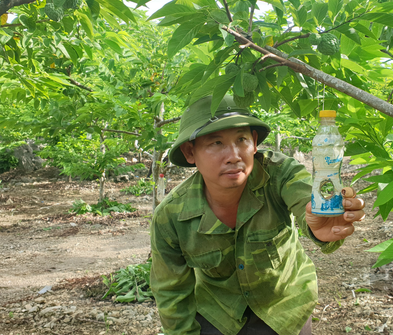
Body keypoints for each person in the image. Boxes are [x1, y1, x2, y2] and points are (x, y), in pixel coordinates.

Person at [150, 95, 366, 335]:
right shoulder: (170, 217)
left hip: (285, 307)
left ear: (254, 142)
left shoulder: (280, 174)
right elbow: (171, 292)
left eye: (241, 139)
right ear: (190, 152)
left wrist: (322, 224)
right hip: (219, 313)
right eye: (216, 143)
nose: (233, 155)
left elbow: (305, 199)